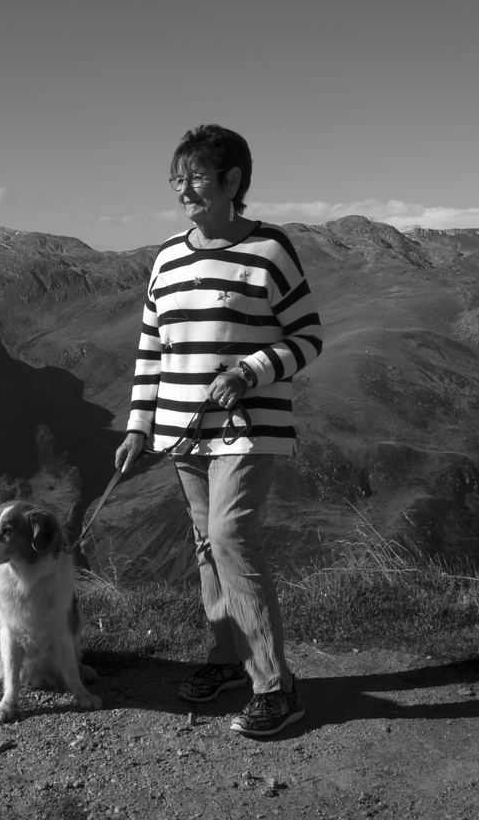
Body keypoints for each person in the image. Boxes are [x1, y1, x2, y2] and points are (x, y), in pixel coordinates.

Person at [114, 124, 325, 737]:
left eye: (197, 177)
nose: (185, 190)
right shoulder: (167, 257)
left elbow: (308, 335)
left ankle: (276, 686)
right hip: (182, 433)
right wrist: (138, 428)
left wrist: (251, 371)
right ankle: (226, 658)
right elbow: (151, 348)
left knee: (231, 537)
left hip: (249, 424)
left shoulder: (270, 251)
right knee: (209, 546)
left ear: (234, 181)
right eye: (177, 180)